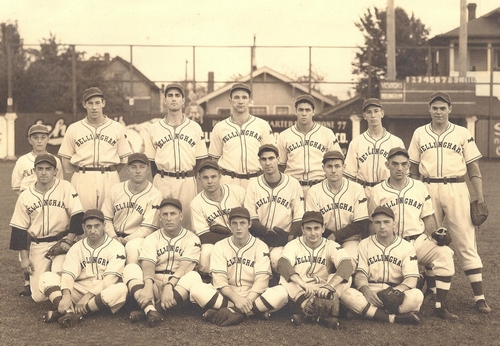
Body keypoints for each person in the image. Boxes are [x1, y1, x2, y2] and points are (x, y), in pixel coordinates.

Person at [408, 91, 491, 314]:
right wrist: (415, 193)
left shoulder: (462, 133)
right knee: (428, 238)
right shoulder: (419, 133)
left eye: (442, 108)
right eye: (435, 108)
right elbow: (413, 170)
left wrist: (480, 198)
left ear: (450, 110)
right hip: (427, 187)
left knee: (465, 239)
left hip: (456, 187)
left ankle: (479, 297)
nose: (438, 111)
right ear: (429, 110)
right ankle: (433, 288)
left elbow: (474, 169)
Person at [369, 147, 457, 319]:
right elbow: (372, 223)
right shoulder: (378, 190)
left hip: (418, 240)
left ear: (409, 166)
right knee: (391, 280)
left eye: (403, 164)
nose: (399, 168)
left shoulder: (419, 187)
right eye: (395, 164)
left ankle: (439, 306)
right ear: (387, 165)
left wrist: (438, 233)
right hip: (392, 243)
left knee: (445, 254)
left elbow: (428, 218)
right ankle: (417, 280)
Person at [189, 207, 289, 327]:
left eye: (242, 223)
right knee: (196, 289)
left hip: (253, 294)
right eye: (234, 223)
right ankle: (252, 312)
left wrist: (247, 300)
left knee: (282, 293)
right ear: (229, 225)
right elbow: (219, 280)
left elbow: (261, 281)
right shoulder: (220, 246)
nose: (238, 227)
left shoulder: (260, 246)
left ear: (250, 224)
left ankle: (233, 312)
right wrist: (236, 299)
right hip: (227, 296)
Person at [9, 154, 84, 303]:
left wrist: (68, 241)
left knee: (59, 271)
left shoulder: (65, 187)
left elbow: (78, 214)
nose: (44, 172)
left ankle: (66, 296)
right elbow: (19, 229)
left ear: (55, 171)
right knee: (38, 297)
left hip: (62, 241)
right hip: (38, 245)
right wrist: (24, 258)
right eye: (40, 169)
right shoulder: (26, 196)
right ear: (35, 170)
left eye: (48, 169)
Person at [38, 209, 128, 328]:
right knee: (46, 277)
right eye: (89, 227)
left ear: (104, 225)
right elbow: (69, 274)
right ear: (83, 227)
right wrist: (66, 296)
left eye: (97, 226)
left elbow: (110, 280)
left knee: (121, 289)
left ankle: (68, 312)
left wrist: (87, 297)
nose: (93, 230)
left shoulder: (116, 247)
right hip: (80, 288)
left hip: (102, 291)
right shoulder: (77, 247)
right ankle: (69, 311)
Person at [123, 198, 201, 327]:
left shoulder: (192, 238)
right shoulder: (152, 237)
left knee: (194, 276)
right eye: (165, 214)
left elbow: (184, 267)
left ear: (181, 216)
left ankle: (150, 310)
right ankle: (152, 310)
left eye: (173, 214)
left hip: (177, 285)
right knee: (130, 268)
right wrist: (148, 285)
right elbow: (148, 263)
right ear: (160, 217)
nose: (169, 218)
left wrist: (170, 285)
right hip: (155, 280)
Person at [340, 206, 424, 325]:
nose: (382, 226)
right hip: (372, 290)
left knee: (417, 296)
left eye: (386, 222)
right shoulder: (365, 244)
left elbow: (411, 279)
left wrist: (395, 291)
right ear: (373, 225)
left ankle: (368, 312)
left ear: (394, 224)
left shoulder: (406, 246)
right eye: (377, 223)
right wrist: (367, 292)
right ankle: (392, 318)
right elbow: (361, 275)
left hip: (396, 290)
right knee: (346, 294)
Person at [144, 83, 208, 229]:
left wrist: (189, 176)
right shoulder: (155, 128)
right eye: (170, 96)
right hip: (162, 180)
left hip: (186, 181)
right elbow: (152, 161)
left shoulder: (194, 127)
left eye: (177, 95)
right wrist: (161, 176)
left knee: (186, 223)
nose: (174, 99)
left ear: (183, 100)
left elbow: (200, 160)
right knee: (160, 222)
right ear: (165, 100)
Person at [58, 87, 132, 210]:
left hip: (109, 177)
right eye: (90, 103)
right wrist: (80, 173)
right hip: (82, 177)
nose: (94, 107)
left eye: (97, 103)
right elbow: (65, 159)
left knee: (110, 216)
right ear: (84, 105)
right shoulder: (74, 128)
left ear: (103, 103)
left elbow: (123, 159)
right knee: (81, 216)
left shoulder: (117, 127)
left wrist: (110, 171)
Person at [11, 124, 63, 297]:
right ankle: (28, 282)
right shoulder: (22, 161)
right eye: (35, 137)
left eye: (43, 137)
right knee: (27, 240)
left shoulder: (56, 160)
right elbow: (16, 185)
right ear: (29, 140)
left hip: (50, 204)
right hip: (29, 204)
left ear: (48, 139)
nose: (39, 141)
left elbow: (59, 185)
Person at [277, 211, 353, 328]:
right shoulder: (293, 244)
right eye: (308, 229)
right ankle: (321, 316)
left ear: (323, 228)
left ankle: (307, 316)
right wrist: (301, 284)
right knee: (285, 277)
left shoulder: (331, 245)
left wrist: (329, 286)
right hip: (302, 290)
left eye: (316, 228)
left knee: (346, 278)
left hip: (324, 289)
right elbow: (283, 264)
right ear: (302, 229)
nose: (313, 233)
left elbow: (346, 265)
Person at [244, 144, 304, 272]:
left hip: (284, 238)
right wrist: (265, 233)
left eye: (271, 158)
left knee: (277, 260)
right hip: (259, 237)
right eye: (264, 159)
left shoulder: (293, 183)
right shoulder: (253, 184)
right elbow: (251, 217)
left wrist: (289, 237)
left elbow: (299, 217)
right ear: (259, 161)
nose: (267, 163)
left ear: (278, 159)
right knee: (255, 261)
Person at [208, 83, 275, 188]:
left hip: (256, 180)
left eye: (244, 97)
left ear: (250, 101)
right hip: (228, 180)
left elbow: (270, 157)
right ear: (230, 101)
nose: (240, 101)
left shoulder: (262, 125)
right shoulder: (220, 127)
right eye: (236, 97)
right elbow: (215, 159)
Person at [101, 153, 163, 264]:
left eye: (142, 167)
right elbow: (106, 218)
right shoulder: (116, 189)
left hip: (138, 239)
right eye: (133, 167)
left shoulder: (155, 195)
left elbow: (147, 229)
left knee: (132, 248)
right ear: (128, 170)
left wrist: (124, 240)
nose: (138, 171)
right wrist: (113, 237)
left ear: (148, 170)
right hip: (113, 236)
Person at [306, 150, 369, 260]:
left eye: (337, 166)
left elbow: (361, 222)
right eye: (329, 166)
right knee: (322, 264)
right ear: (323, 168)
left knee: (350, 259)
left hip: (351, 239)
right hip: (324, 238)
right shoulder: (314, 191)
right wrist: (330, 237)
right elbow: (313, 222)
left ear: (344, 167)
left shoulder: (356, 188)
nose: (333, 170)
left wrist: (336, 235)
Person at [277, 94, 341, 197]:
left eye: (307, 110)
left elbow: (338, 160)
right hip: (293, 186)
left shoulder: (326, 133)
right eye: (301, 110)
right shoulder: (284, 135)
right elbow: (280, 165)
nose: (304, 113)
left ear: (313, 112)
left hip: (320, 186)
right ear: (295, 111)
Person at [190, 160, 246, 276]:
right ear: (199, 179)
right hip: (216, 240)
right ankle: (206, 281)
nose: (210, 181)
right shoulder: (196, 203)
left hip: (244, 235)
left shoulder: (237, 191)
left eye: (213, 177)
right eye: (205, 178)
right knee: (206, 253)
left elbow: (251, 218)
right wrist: (231, 238)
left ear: (220, 177)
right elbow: (203, 235)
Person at [344, 98, 405, 201]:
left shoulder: (396, 142)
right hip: (363, 191)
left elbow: (404, 174)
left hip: (388, 190)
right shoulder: (356, 142)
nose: (373, 115)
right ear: (364, 116)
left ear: (382, 113)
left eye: (376, 111)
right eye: (369, 112)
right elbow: (349, 175)